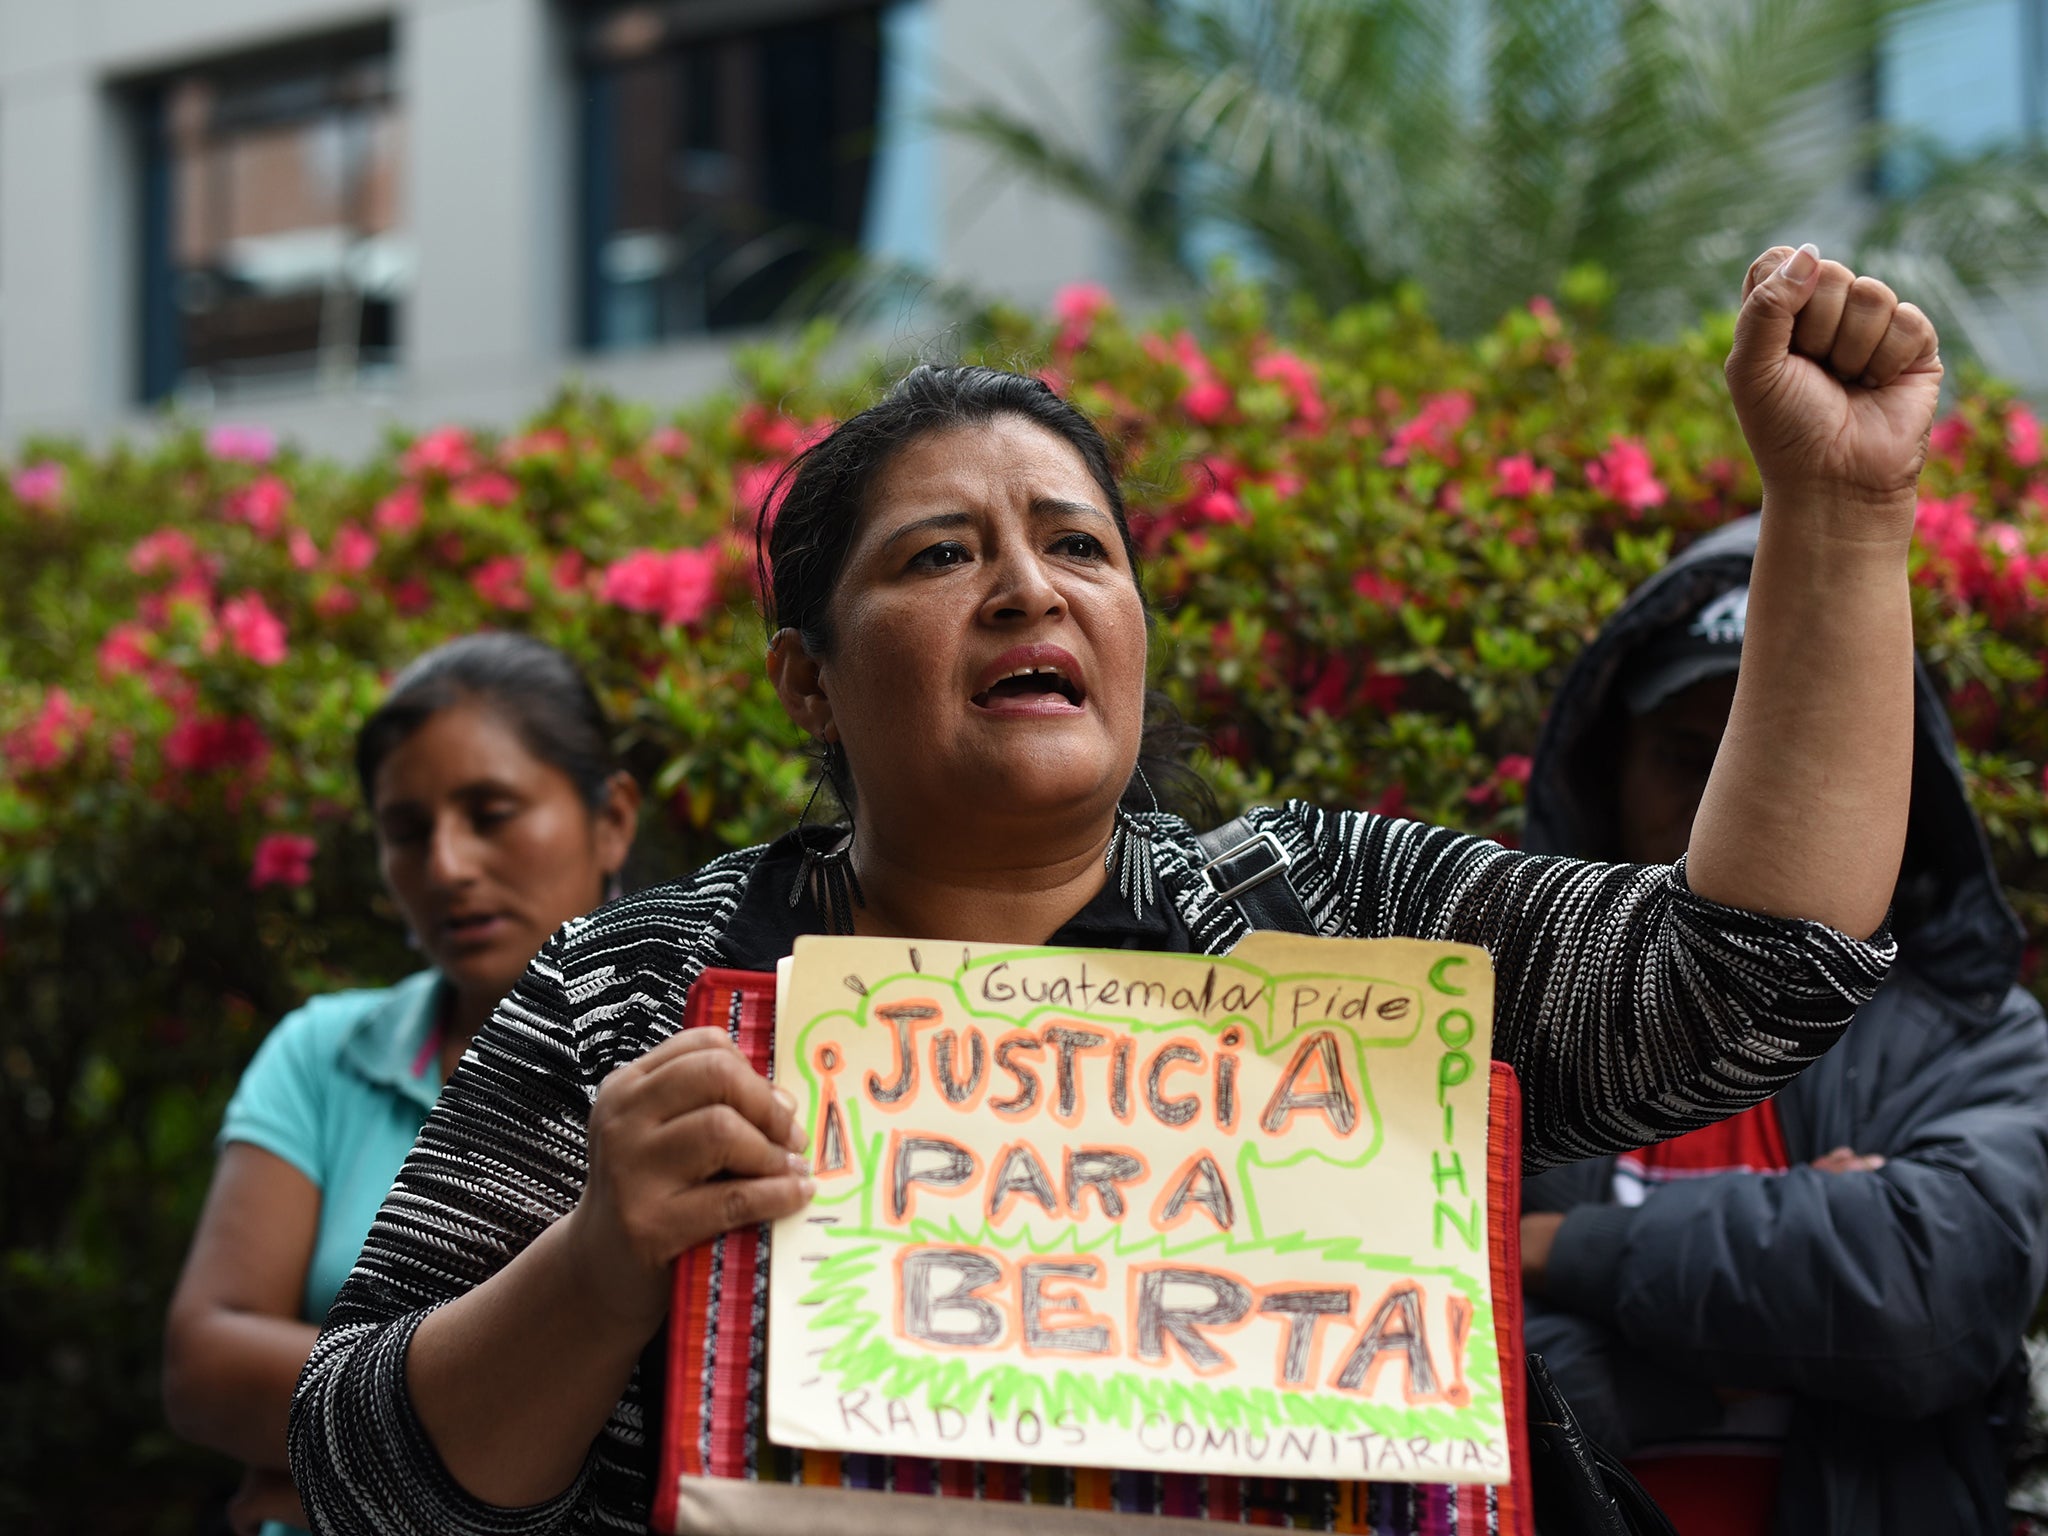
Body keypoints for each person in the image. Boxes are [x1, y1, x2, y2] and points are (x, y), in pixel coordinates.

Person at [287, 245, 1941, 1535]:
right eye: (939, 556)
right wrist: (592, 1266)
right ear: (806, 680)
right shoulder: (633, 991)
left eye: (1078, 548)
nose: (1025, 588)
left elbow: (1748, 972)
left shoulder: (1328, 910)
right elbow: (362, 1471)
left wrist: (1845, 509)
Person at [1516, 514, 2048, 1536]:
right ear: (1607, 774)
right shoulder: (1503, 1024)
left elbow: (1925, 1298)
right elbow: (1429, 1355)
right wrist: (1732, 1329)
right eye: (1683, 754)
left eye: (1787, 751)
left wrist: (1554, 1247)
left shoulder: (1972, 1032)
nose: (1738, 799)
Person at [162, 635, 641, 1536]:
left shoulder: (681, 1065)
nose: (448, 866)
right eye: (407, 832)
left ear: (611, 819)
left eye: (491, 812)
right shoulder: (323, 1053)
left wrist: (345, 1486)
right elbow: (205, 1362)